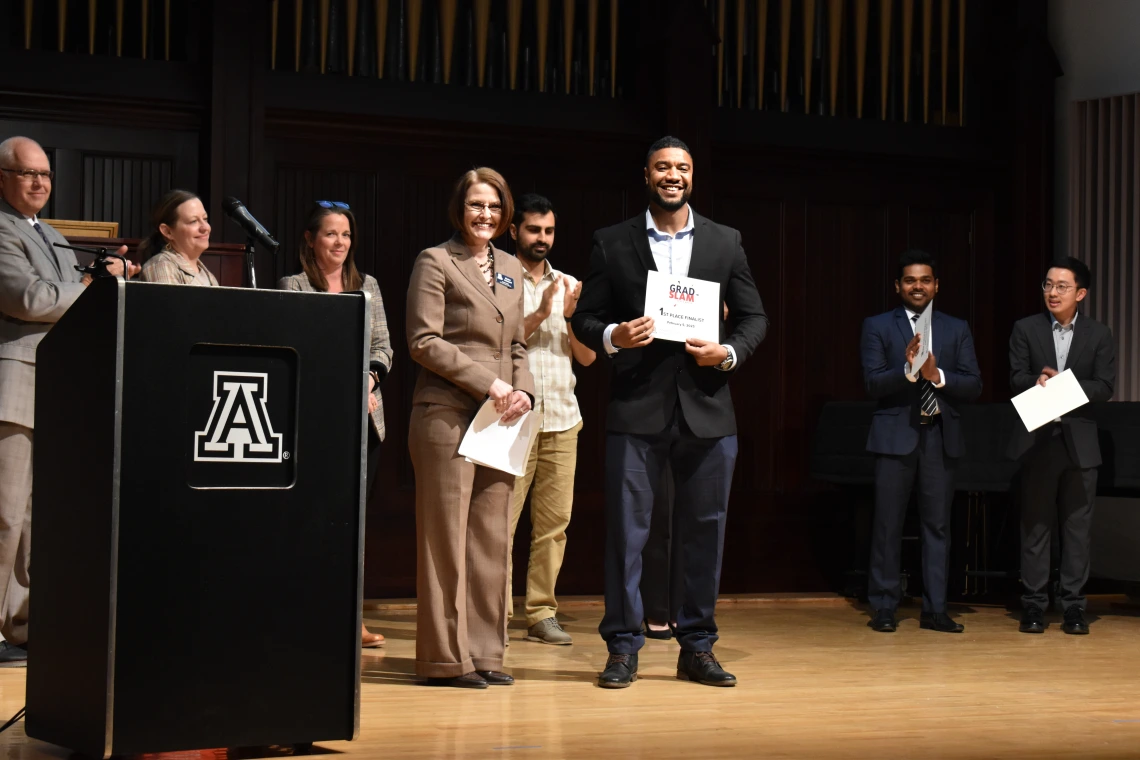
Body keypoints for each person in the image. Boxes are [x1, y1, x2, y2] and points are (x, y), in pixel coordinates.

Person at [572, 136, 768, 689]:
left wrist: (727, 352)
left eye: (682, 167)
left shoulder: (725, 242)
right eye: (663, 167)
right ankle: (622, 647)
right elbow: (585, 319)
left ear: (692, 176)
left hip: (708, 410)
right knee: (626, 535)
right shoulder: (612, 242)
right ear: (647, 175)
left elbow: (755, 318)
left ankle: (697, 647)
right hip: (636, 409)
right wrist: (615, 335)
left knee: (705, 532)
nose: (672, 175)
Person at [0, 136, 136, 665]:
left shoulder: (54, 236)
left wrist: (98, 284)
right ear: (3, 178)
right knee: (6, 515)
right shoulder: (2, 230)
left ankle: (24, 626)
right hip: (14, 388)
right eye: (27, 173)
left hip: (59, 390)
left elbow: (66, 298)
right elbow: (29, 299)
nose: (39, 183)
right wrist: (98, 286)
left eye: (46, 175)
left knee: (38, 520)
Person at [406, 167, 534, 689]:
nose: (485, 215)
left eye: (494, 206)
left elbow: (520, 343)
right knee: (445, 540)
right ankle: (444, 660)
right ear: (459, 209)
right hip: (446, 413)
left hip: (502, 418)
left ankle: (485, 654)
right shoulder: (435, 261)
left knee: (491, 538)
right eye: (476, 205)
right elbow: (423, 340)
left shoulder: (511, 267)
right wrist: (490, 383)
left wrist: (522, 389)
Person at [278, 201, 394, 648]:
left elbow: (383, 345)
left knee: (354, 527)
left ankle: (352, 622)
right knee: (312, 522)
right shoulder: (293, 285)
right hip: (314, 421)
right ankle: (306, 615)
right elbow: (290, 348)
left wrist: (369, 374)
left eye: (345, 235)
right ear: (310, 239)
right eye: (330, 234)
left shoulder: (368, 286)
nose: (340, 243)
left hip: (363, 420)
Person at [860, 250, 982, 634]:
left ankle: (935, 609)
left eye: (925, 280)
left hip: (939, 437)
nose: (918, 286)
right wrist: (909, 373)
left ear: (936, 286)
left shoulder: (956, 327)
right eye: (910, 280)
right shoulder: (877, 325)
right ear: (898, 286)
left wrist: (937, 374)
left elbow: (974, 384)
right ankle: (883, 606)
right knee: (887, 526)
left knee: (938, 527)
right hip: (895, 438)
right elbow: (872, 383)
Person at [1008, 257, 1115, 635]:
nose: (1052, 292)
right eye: (1048, 285)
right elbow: (1015, 376)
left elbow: (1104, 387)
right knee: (1035, 528)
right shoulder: (1026, 329)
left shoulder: (1099, 334)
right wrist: (1037, 379)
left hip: (1080, 444)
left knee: (1076, 530)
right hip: (1038, 440)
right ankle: (1034, 605)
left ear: (1080, 293)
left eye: (1062, 286)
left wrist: (1064, 385)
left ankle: (1073, 606)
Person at [505, 194, 595, 646]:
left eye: (549, 231)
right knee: (501, 522)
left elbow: (589, 357)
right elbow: (498, 343)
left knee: (554, 524)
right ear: (514, 231)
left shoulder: (570, 283)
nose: (542, 239)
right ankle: (494, 613)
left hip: (563, 416)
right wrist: (541, 313)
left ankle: (541, 612)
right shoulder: (499, 278)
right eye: (534, 230)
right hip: (512, 419)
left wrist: (573, 318)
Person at [137, 189, 218, 285]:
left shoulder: (208, 275)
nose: (205, 228)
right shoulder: (162, 266)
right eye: (193, 221)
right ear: (167, 231)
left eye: (205, 219)